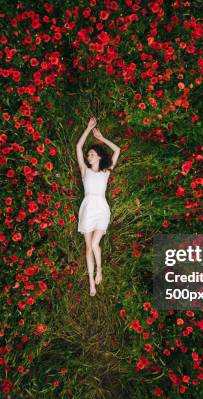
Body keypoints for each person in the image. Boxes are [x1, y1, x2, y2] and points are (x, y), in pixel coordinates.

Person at [76, 117, 120, 296]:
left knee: (95, 243)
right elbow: (79, 147)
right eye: (89, 155)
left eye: (92, 154)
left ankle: (100, 269)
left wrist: (101, 138)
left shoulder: (105, 171)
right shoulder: (84, 170)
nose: (89, 156)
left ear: (99, 157)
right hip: (87, 208)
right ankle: (91, 283)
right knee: (88, 247)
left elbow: (117, 150)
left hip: (101, 208)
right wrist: (87, 129)